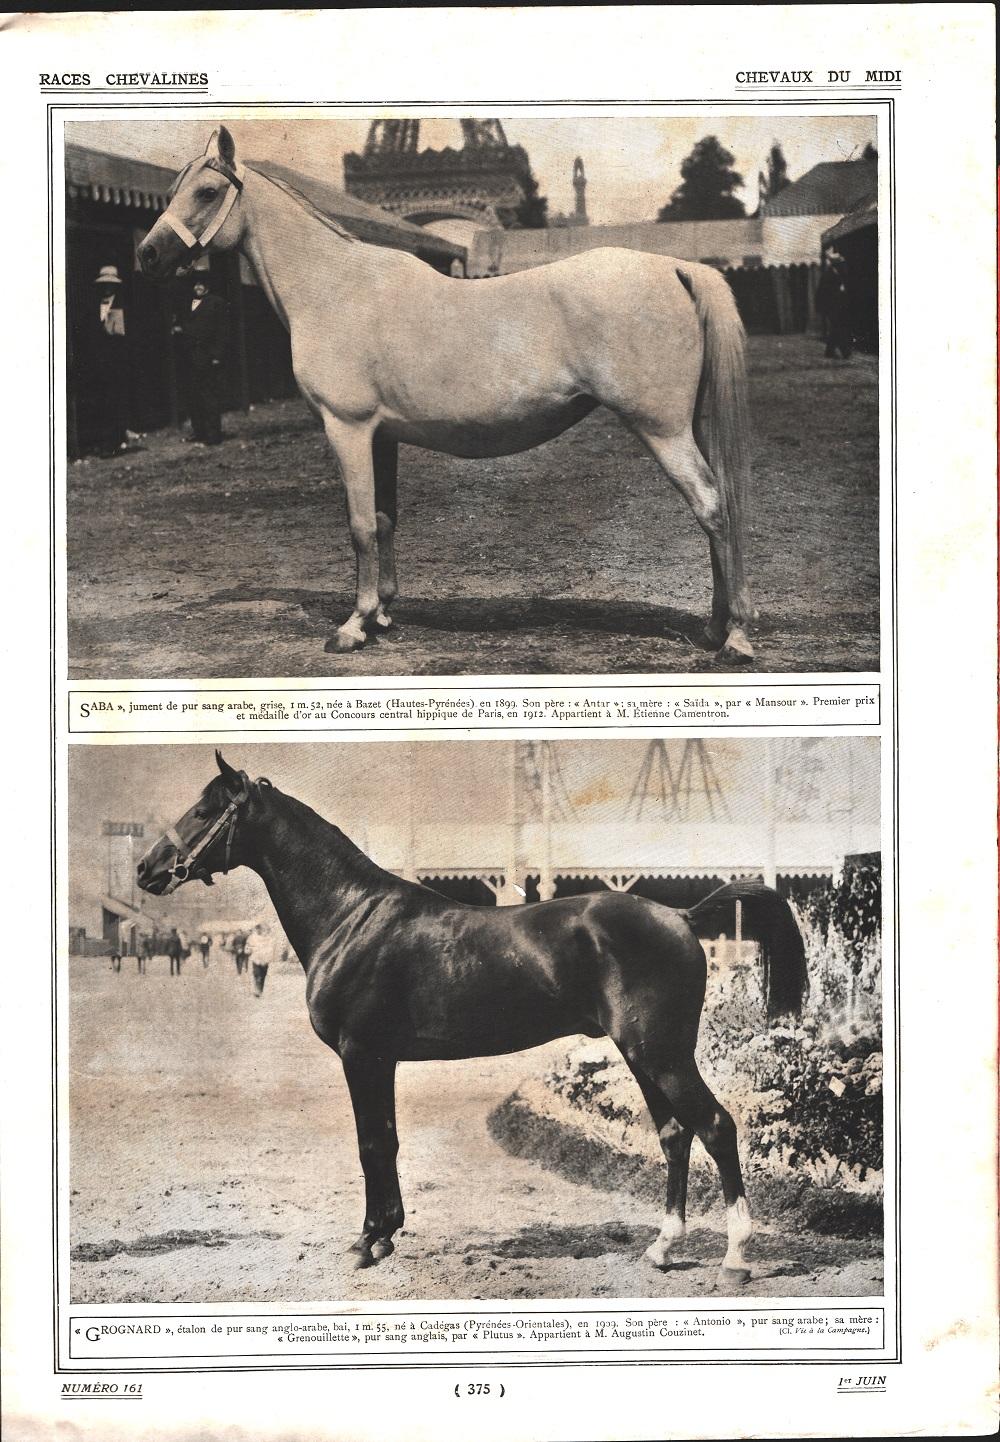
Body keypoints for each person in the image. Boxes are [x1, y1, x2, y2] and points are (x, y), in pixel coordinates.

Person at [172, 276, 230, 445]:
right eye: (196, 284)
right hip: (189, 357)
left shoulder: (216, 302)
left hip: (207, 356)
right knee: (193, 396)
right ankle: (199, 432)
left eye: (202, 284)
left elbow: (223, 331)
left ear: (207, 286)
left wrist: (217, 356)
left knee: (209, 396)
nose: (198, 287)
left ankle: (213, 435)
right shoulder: (187, 303)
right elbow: (184, 325)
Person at [91, 265, 131, 454]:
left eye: (110, 284)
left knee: (115, 400)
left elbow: (120, 335)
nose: (107, 288)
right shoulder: (97, 304)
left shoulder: (121, 305)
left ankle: (114, 442)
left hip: (117, 362)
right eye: (104, 284)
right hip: (100, 362)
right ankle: (109, 440)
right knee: (103, 401)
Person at [816, 248, 853, 360]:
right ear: (836, 265)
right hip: (831, 307)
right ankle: (845, 352)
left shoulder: (838, 274)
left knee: (835, 329)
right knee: (838, 328)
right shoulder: (828, 275)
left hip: (838, 306)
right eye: (841, 264)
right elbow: (823, 293)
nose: (843, 266)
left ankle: (829, 351)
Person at [247, 919, 285, 998]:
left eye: (264, 930)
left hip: (265, 960)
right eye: (261, 930)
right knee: (257, 974)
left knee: (263, 975)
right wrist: (250, 950)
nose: (263, 931)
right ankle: (257, 990)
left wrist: (270, 957)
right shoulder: (253, 937)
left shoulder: (270, 939)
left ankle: (260, 990)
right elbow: (249, 947)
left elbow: (272, 949)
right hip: (256, 959)